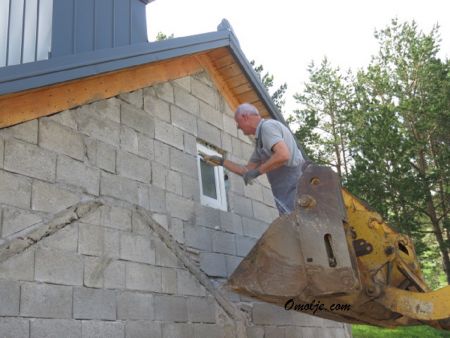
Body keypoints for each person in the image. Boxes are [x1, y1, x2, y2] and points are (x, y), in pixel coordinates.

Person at [203, 103, 304, 214]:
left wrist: (257, 172)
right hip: (285, 193)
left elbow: (283, 155)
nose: (238, 127)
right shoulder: (260, 143)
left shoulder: (267, 127)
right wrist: (221, 161)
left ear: (245, 117)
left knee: (300, 225)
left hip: (296, 188)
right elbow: (246, 170)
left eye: (238, 122)